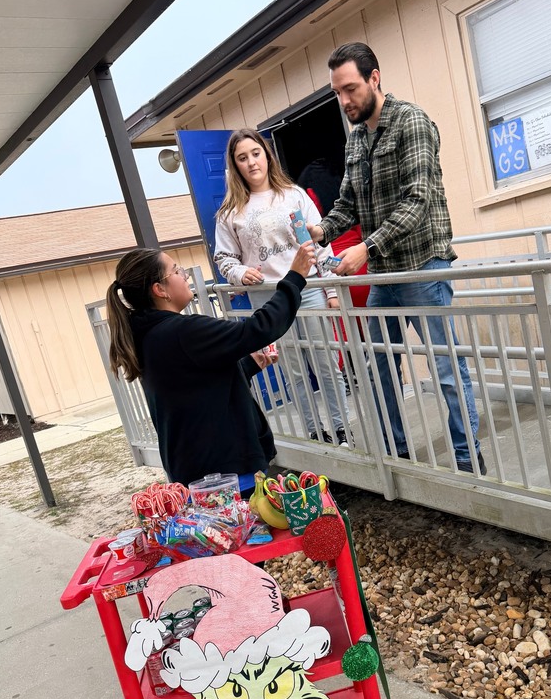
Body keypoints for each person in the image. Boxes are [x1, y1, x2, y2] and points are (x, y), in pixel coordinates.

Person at [308, 42, 485, 476]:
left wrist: (365, 248)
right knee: (377, 364)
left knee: (445, 365)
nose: (344, 100)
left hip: (422, 265)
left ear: (374, 78)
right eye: (337, 93)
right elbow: (348, 203)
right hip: (384, 274)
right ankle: (396, 454)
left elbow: (417, 200)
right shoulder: (355, 140)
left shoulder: (412, 122)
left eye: (350, 89)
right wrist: (322, 231)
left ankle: (467, 458)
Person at [106, 245, 315, 491]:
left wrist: (247, 365)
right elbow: (257, 329)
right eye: (176, 271)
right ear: (160, 289)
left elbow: (191, 386)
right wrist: (294, 278)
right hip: (225, 474)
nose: (185, 276)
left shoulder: (147, 334)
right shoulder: (182, 331)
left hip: (195, 470)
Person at [213, 128, 350, 447]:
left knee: (327, 364)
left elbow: (319, 244)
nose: (251, 162)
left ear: (267, 155)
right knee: (294, 371)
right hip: (269, 301)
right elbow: (224, 258)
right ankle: (316, 432)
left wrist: (330, 291)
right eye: (242, 158)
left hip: (309, 291)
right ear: (235, 166)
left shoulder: (293, 195)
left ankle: (342, 429)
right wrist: (239, 272)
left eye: (255, 153)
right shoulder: (230, 213)